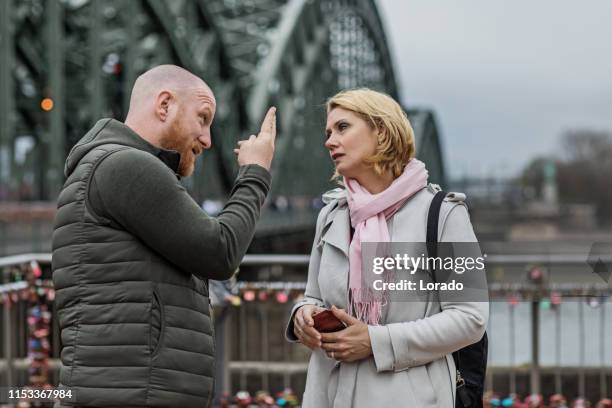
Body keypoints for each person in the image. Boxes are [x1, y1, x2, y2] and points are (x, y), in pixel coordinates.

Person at [52, 64, 276, 407]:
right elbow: (220, 252)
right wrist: (255, 174)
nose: (208, 139)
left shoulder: (107, 165)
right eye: (202, 118)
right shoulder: (128, 166)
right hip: (133, 393)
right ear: (164, 105)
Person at [285, 88, 488, 407]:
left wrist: (375, 341)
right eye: (327, 132)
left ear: (381, 131)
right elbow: (313, 296)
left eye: (342, 127)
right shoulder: (332, 216)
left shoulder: (442, 214)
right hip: (328, 396)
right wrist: (302, 316)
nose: (328, 141)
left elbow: (469, 318)